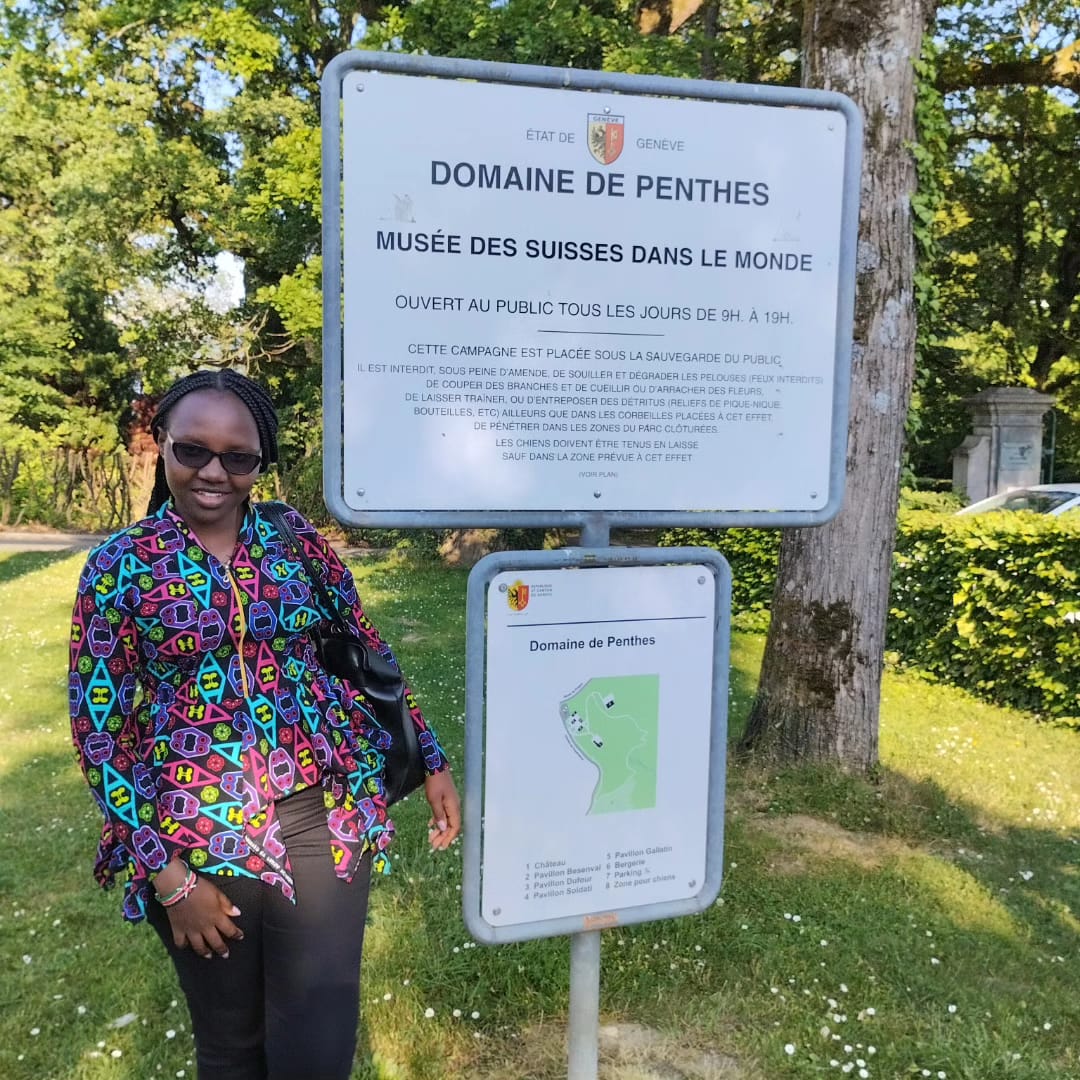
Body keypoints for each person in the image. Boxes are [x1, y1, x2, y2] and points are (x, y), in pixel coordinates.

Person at [69, 369, 461, 1080]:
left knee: (317, 1041)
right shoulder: (119, 567)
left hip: (324, 813)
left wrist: (429, 755)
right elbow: (97, 736)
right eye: (193, 451)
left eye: (238, 458)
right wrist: (168, 877)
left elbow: (364, 645)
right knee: (232, 1045)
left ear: (259, 464)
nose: (214, 472)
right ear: (163, 446)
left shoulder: (292, 537)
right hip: (192, 829)